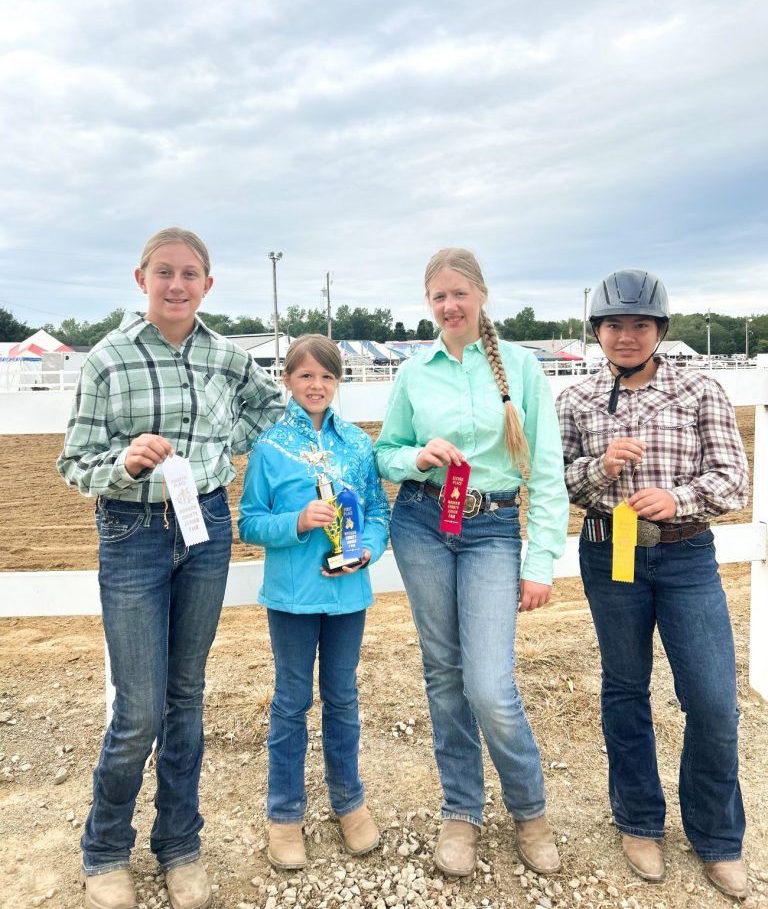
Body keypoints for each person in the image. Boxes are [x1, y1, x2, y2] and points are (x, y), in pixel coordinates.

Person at [57, 228, 283, 909]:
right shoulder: (107, 360)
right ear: (141, 279)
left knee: (187, 695)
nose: (177, 285)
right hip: (132, 532)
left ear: (208, 285)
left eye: (190, 274)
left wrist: (221, 448)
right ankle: (104, 849)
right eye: (165, 273)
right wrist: (123, 465)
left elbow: (269, 408)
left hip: (205, 527)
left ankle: (179, 842)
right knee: (140, 706)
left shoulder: (224, 355)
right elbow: (74, 463)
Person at [374, 248, 569, 878]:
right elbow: (385, 453)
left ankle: (529, 810)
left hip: (490, 528)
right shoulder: (414, 372)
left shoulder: (520, 369)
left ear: (481, 295)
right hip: (423, 524)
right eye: (438, 298)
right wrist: (414, 458)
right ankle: (461, 809)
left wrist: (539, 561)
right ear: (427, 304)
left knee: (490, 683)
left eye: (459, 294)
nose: (449, 306)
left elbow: (544, 470)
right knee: (444, 674)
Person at [556, 269, 749, 899]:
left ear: (660, 330)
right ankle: (639, 820)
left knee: (713, 699)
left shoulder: (699, 390)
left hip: (686, 553)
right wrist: (598, 466)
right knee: (625, 688)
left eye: (640, 325)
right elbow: (560, 483)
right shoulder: (578, 401)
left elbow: (732, 479)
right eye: (614, 325)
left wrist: (679, 496)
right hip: (610, 552)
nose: (627, 336)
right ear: (599, 332)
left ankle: (717, 836)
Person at [238, 334, 390, 871]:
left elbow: (377, 509)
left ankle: (349, 802)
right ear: (287, 380)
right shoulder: (269, 448)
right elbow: (249, 521)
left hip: (348, 593)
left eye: (326, 376)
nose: (316, 385)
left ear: (338, 381)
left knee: (344, 698)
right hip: (292, 598)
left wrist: (368, 546)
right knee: (290, 702)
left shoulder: (357, 444)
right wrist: (298, 522)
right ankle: (284, 815)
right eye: (305, 375)